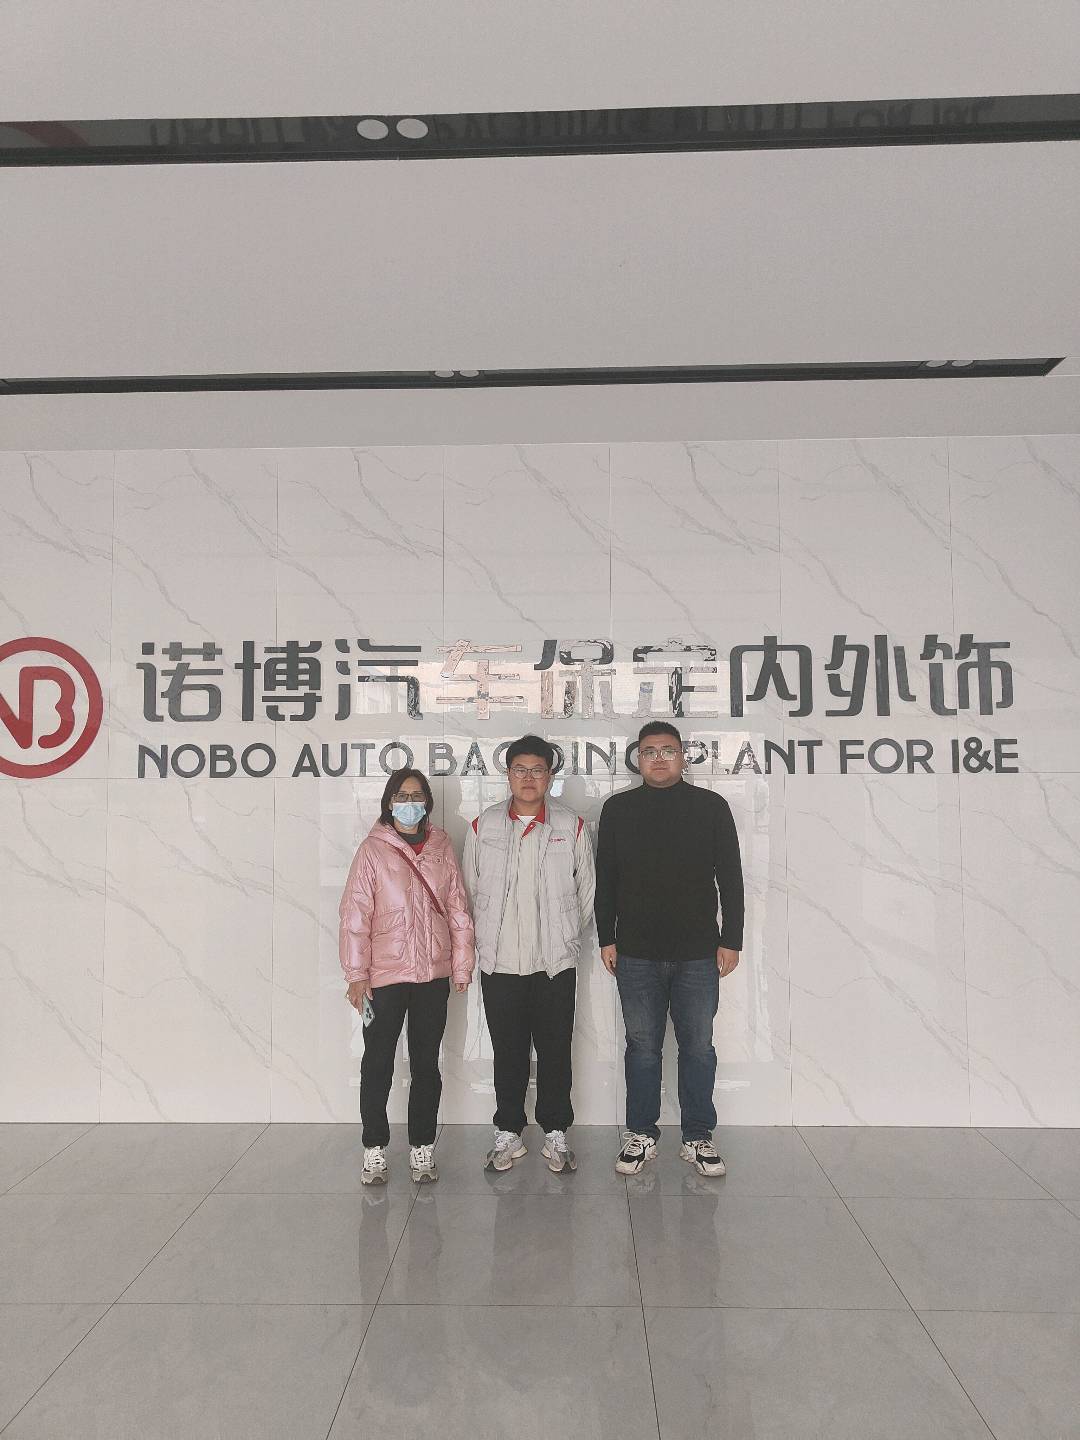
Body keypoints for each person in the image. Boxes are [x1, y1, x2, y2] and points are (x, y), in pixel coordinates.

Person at [595, 721, 743, 1178]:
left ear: (683, 756)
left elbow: (731, 878)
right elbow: (606, 880)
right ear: (638, 759)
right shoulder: (618, 810)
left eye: (667, 750)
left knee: (698, 1047)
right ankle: (641, 1134)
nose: (658, 758)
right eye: (649, 751)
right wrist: (606, 937)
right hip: (636, 951)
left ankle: (698, 1136)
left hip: (698, 952)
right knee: (642, 1047)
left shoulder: (711, 807)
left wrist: (731, 939)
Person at [464, 734, 595, 1174]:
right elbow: (469, 890)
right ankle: (509, 1132)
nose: (528, 778)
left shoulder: (569, 826)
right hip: (500, 963)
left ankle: (555, 1132)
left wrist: (564, 936)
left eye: (537, 770)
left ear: (549, 776)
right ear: (508, 775)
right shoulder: (484, 826)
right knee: (509, 1050)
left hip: (554, 963)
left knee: (556, 1049)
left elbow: (586, 892)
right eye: (520, 769)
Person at [340, 767, 474, 1185]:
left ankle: (422, 1146)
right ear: (388, 802)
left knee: (426, 1064)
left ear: (428, 803)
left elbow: (457, 907)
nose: (409, 803)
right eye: (401, 796)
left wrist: (461, 964)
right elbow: (355, 915)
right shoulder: (372, 851)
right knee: (377, 1063)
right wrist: (356, 974)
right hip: (383, 977)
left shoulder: (441, 846)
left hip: (432, 974)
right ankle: (374, 1147)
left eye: (416, 796)